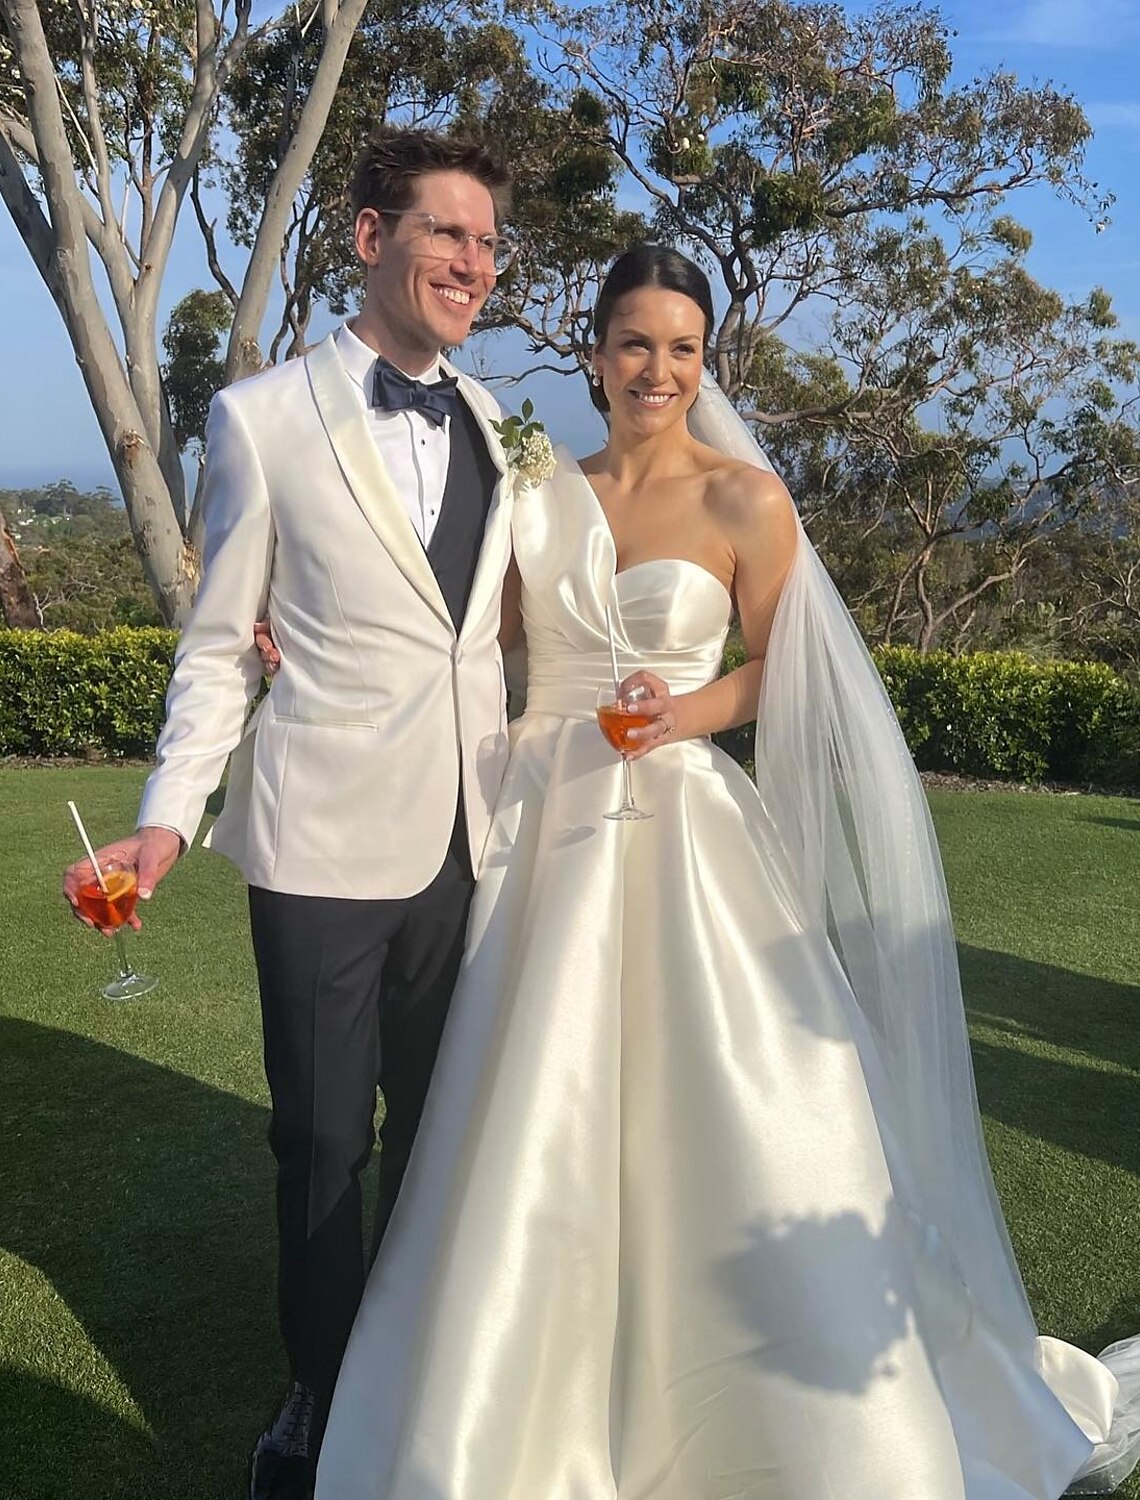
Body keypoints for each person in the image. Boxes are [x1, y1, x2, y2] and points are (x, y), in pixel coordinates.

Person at [309, 245, 1140, 1499]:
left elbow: (781, 667)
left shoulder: (746, 500)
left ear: (708, 363)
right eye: (636, 342)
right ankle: (515, 1402)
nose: (659, 370)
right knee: (532, 1108)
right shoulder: (539, 488)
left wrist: (684, 714)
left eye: (684, 348)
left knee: (731, 1099)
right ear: (592, 350)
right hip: (545, 829)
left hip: (685, 831)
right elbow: (483, 642)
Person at [62, 129, 520, 1500]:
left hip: (471, 842)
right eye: (448, 233)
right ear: (370, 238)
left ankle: (431, 1372)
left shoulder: (505, 427)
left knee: (445, 1130)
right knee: (325, 1143)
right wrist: (165, 811)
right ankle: (320, 1401)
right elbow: (216, 645)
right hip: (321, 843)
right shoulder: (259, 419)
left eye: (490, 243)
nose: (474, 264)